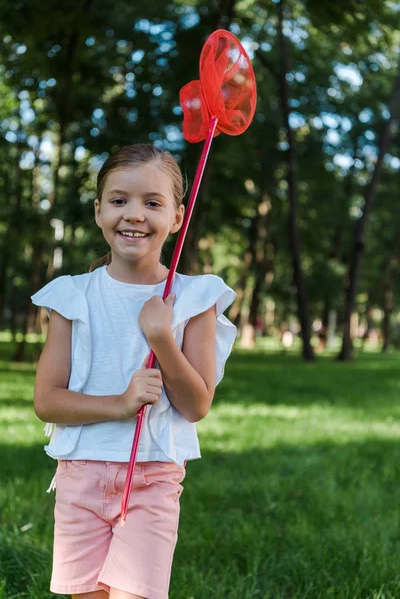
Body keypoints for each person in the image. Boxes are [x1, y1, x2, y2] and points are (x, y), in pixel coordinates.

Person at [31, 144, 237, 599]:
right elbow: (47, 400)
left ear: (178, 217)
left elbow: (196, 405)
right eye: (120, 200)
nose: (134, 215)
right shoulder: (71, 295)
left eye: (152, 202)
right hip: (79, 473)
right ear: (99, 210)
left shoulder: (194, 298)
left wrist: (162, 338)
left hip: (153, 476)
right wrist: (121, 404)